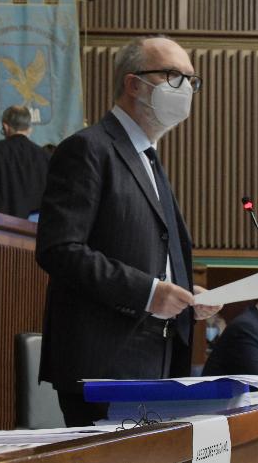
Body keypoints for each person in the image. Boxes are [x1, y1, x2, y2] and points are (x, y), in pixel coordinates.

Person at [36, 36, 221, 426]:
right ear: (133, 83)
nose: (186, 89)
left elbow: (155, 250)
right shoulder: (87, 149)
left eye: (191, 80)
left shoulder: (150, 159)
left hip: (159, 361)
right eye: (174, 76)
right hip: (105, 365)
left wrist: (186, 295)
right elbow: (60, 249)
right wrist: (150, 293)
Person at [0, 105, 50, 219]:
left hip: (1, 226)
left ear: (5, 127)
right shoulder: (44, 155)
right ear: (29, 129)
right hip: (34, 229)